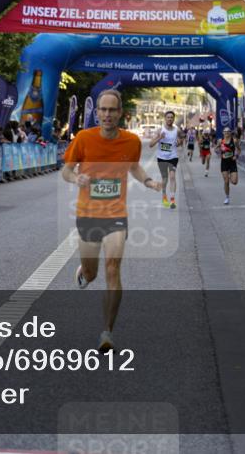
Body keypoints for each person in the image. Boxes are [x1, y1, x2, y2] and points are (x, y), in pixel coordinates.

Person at [61, 89, 161, 352]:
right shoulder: (84, 138)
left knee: (113, 268)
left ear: (120, 113)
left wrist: (148, 180)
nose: (106, 114)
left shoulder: (130, 141)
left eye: (111, 110)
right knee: (93, 273)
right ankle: (84, 272)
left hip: (116, 214)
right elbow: (66, 170)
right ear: (97, 112)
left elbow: (134, 166)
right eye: (102, 110)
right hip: (88, 214)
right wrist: (76, 178)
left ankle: (107, 332)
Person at [149, 111, 181, 209]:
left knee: (172, 176)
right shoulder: (160, 130)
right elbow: (150, 144)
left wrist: (179, 143)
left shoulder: (177, 130)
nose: (170, 119)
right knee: (165, 178)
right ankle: (164, 195)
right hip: (162, 157)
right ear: (165, 118)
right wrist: (160, 137)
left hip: (173, 156)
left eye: (171, 117)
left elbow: (181, 141)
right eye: (168, 117)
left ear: (173, 119)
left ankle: (172, 199)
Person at [216, 127, 240, 205]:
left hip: (232, 162)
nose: (226, 133)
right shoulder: (220, 141)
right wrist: (219, 153)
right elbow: (216, 149)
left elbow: (239, 149)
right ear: (223, 133)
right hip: (224, 163)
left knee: (234, 182)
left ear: (230, 133)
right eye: (225, 132)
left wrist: (236, 156)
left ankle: (230, 177)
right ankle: (227, 197)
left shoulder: (234, 140)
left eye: (228, 132)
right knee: (226, 181)